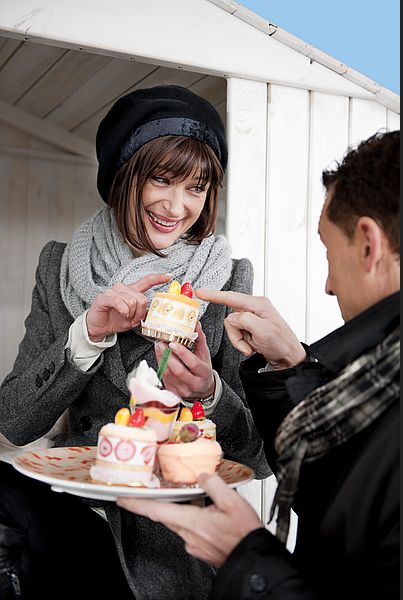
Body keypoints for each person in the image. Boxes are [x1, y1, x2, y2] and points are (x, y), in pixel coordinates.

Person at [0, 85, 270, 600]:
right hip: (76, 515)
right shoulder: (60, 266)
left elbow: (253, 458)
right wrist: (88, 334)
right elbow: (12, 421)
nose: (177, 206)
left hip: (169, 543)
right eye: (161, 181)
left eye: (197, 187)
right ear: (123, 178)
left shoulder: (227, 277)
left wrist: (208, 391)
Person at [118, 130, 400, 599]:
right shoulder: (384, 376)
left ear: (368, 244)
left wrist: (247, 561)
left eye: (330, 252)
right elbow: (348, 505)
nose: (329, 285)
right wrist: (292, 367)